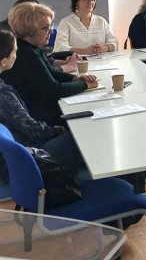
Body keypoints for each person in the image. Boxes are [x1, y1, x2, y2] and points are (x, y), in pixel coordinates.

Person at [0, 29, 85, 177]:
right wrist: (57, 130)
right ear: (3, 61)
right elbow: (31, 129)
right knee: (82, 137)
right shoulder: (4, 94)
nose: (17, 56)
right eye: (14, 52)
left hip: (13, 153)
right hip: (27, 155)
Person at [0, 3, 97, 127]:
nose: (51, 31)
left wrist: (75, 78)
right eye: (45, 28)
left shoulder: (32, 48)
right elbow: (55, 89)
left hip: (43, 108)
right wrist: (86, 85)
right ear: (30, 31)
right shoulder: (26, 54)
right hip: (40, 117)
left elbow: (52, 72)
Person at [1, 0, 79, 73]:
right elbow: (45, 72)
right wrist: (69, 67)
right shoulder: (8, 36)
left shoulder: (27, 41)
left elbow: (42, 60)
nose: (51, 31)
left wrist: (63, 63)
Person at [54, 0, 118, 55]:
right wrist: (84, 51)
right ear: (76, 2)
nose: (90, 2)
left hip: (102, 60)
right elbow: (60, 47)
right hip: (78, 61)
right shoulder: (66, 23)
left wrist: (106, 48)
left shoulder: (101, 21)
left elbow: (114, 42)